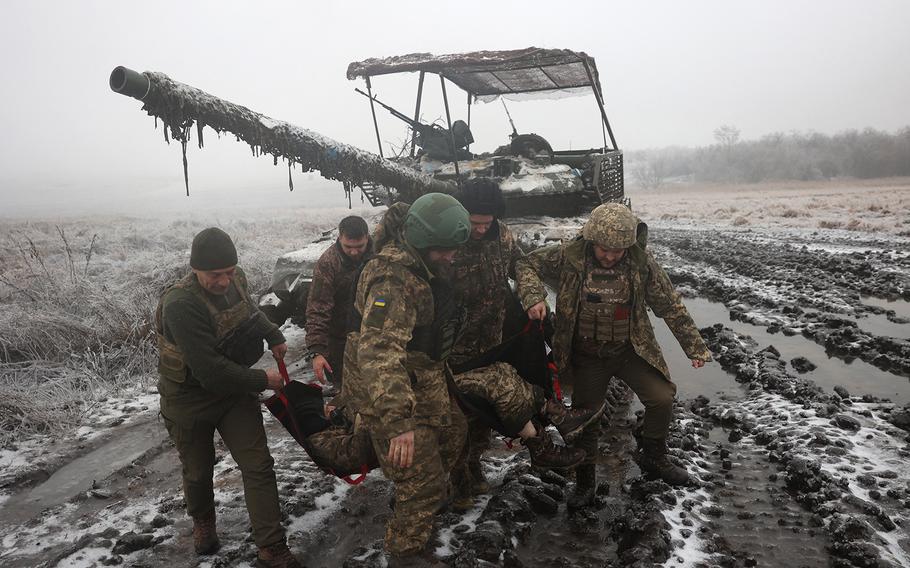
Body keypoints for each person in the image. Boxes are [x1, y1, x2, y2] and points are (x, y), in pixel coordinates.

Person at [520, 203, 711, 508]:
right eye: (604, 249)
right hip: (586, 356)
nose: (609, 256)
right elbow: (525, 264)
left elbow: (670, 305)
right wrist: (533, 296)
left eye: (617, 250)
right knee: (587, 418)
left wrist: (694, 346)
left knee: (662, 397)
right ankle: (585, 482)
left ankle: (654, 457)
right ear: (591, 239)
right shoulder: (567, 257)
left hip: (628, 351)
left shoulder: (640, 264)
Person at [155, 227, 302, 568]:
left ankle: (272, 548)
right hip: (189, 398)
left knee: (259, 465)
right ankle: (203, 520)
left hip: (233, 395)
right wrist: (263, 378)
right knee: (197, 470)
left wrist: (273, 333)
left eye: (228, 272)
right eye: (214, 275)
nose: (223, 281)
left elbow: (249, 312)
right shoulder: (181, 304)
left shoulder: (237, 280)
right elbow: (210, 371)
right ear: (195, 269)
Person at [449, 178, 601, 501]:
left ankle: (473, 466)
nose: (478, 229)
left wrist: (534, 297)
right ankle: (458, 477)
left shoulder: (502, 236)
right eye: (472, 222)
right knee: (458, 416)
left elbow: (521, 264)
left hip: (492, 338)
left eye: (484, 223)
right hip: (455, 347)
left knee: (483, 415)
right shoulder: (450, 240)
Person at [341, 193, 470, 561]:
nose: (451, 256)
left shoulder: (421, 262)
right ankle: (405, 552)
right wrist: (398, 424)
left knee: (455, 431)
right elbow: (380, 353)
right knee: (423, 481)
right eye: (445, 249)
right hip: (385, 388)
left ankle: (417, 504)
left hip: (418, 376)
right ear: (423, 242)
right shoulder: (392, 281)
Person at [305, 215, 373, 391]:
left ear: (367, 237)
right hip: (340, 340)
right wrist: (317, 351)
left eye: (359, 247)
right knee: (345, 392)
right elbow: (318, 307)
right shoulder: (328, 263)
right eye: (348, 247)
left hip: (375, 335)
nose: (354, 252)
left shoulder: (380, 255)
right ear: (340, 238)